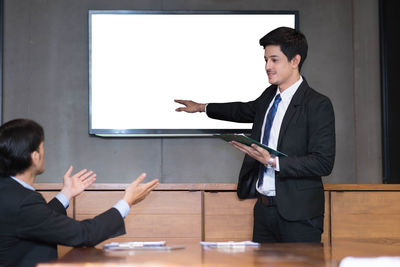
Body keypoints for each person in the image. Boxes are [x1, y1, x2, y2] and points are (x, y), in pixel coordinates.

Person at [175, 27, 335, 243]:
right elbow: (241, 110)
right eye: (266, 60)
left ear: (295, 60)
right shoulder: (269, 96)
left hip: (299, 215)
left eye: (274, 60)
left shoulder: (317, 104)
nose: (267, 66)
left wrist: (272, 161)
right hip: (264, 211)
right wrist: (202, 107)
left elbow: (323, 163)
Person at [0, 119, 159, 267]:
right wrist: (127, 202)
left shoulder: (10, 193)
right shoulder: (24, 201)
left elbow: (39, 222)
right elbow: (84, 234)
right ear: (35, 157)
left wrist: (66, 194)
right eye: (43, 147)